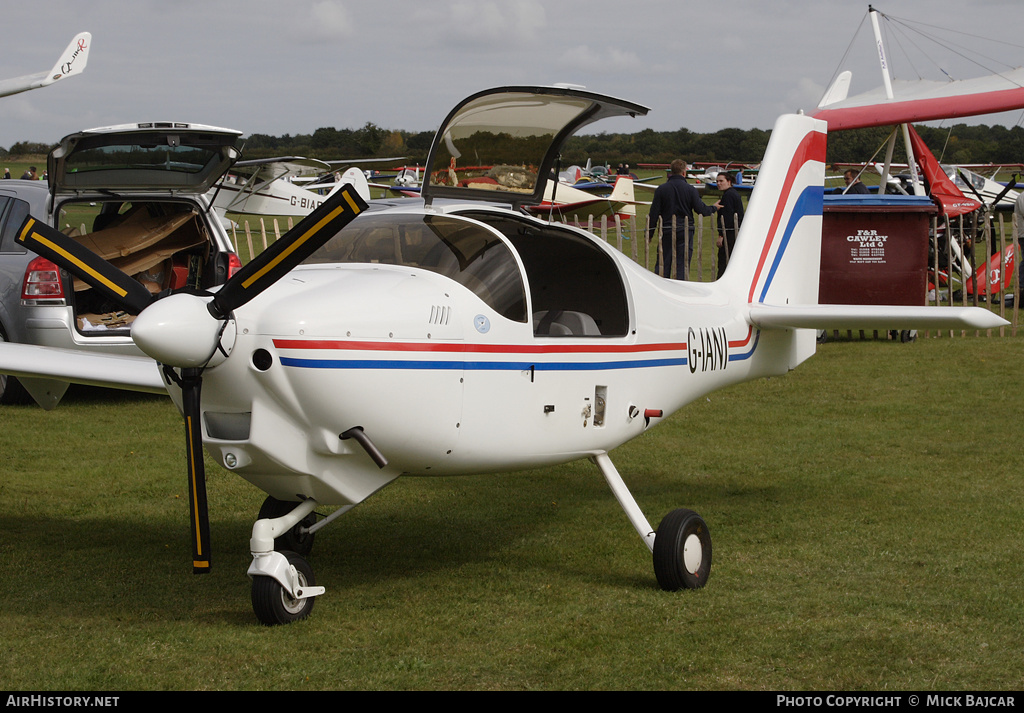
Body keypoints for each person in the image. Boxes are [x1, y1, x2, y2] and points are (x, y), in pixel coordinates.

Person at [647, 159, 716, 279]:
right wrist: (714, 208)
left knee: (664, 261)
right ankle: (681, 286)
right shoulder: (690, 189)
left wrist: (649, 233)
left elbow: (654, 213)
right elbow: (701, 210)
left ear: (671, 171)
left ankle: (661, 286)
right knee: (682, 263)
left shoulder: (661, 189)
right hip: (685, 229)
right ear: (684, 173)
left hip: (667, 229)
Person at [713, 171, 744, 278]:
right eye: (717, 181)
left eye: (721, 181)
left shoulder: (729, 196)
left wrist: (721, 235)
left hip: (729, 235)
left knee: (724, 262)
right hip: (734, 232)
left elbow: (728, 217)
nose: (718, 183)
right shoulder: (732, 194)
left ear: (729, 182)